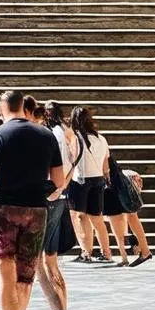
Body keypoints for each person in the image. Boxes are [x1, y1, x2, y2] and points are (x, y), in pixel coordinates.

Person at [0, 90, 65, 310]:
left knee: (5, 273)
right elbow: (58, 182)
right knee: (26, 276)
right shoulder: (46, 135)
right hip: (36, 210)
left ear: (1, 108)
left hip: (4, 209)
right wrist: (40, 190)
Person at [37, 100, 78, 310]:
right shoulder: (67, 133)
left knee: (43, 261)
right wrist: (63, 188)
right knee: (51, 260)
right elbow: (72, 165)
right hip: (60, 196)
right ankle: (62, 309)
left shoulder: (49, 135)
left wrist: (53, 189)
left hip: (48, 197)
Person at [68, 106, 112, 264]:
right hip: (98, 179)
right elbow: (106, 163)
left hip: (81, 180)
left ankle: (86, 252)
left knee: (80, 217)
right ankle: (106, 252)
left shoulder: (75, 138)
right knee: (97, 219)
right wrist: (105, 177)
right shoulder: (101, 138)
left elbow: (70, 160)